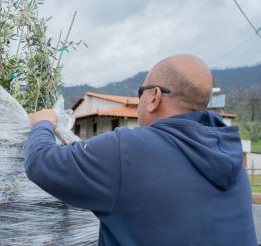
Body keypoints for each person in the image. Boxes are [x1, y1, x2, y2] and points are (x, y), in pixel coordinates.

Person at [25, 54, 258, 245]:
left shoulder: (126, 149)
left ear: (154, 97)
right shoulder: (229, 154)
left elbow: (40, 161)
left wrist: (44, 122)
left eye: (140, 93)